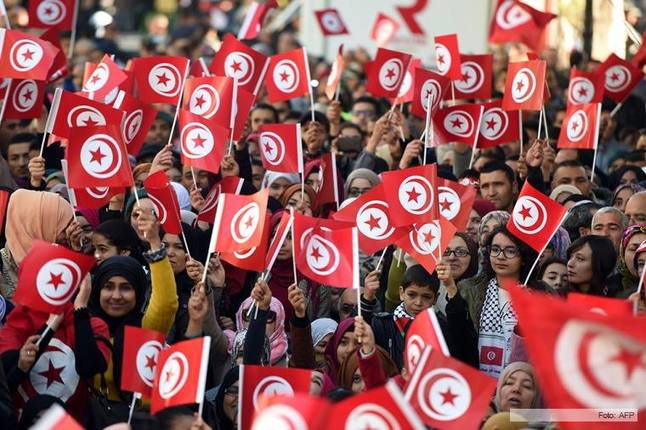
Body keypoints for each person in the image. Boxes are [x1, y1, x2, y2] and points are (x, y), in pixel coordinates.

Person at [87, 207, 178, 406]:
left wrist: (154, 242)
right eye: (108, 287)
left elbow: (166, 303)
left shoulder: (145, 328)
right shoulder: (84, 327)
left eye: (126, 288)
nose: (116, 296)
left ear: (138, 293)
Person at [446, 225, 537, 377]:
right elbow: (460, 337)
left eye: (510, 251)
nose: (501, 256)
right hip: (476, 379)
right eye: (495, 249)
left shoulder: (539, 294)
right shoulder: (469, 289)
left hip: (519, 382)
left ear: (523, 257)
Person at [0, 190, 78, 299]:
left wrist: (75, 254)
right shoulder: (2, 267)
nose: (68, 235)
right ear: (39, 226)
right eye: (64, 228)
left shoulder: (58, 264)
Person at [435, 233, 479, 316]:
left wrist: (451, 287)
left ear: (473, 257)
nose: (452, 257)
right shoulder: (431, 288)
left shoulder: (483, 292)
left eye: (461, 252)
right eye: (446, 251)